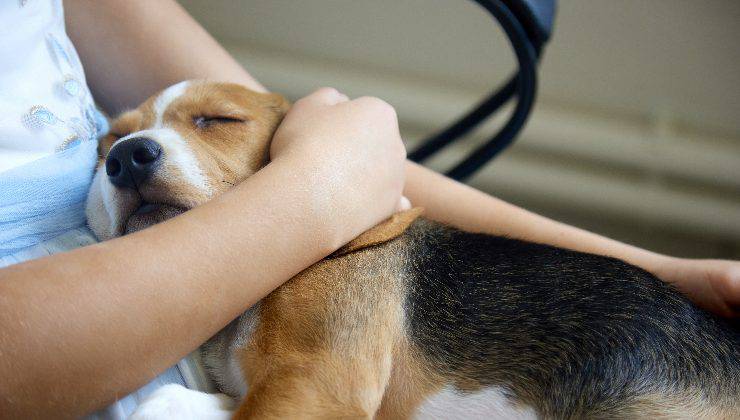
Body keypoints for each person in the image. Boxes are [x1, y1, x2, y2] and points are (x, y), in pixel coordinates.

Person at [0, 0, 737, 417]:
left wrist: (657, 268)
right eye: (114, 149)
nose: (129, 154)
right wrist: (319, 185)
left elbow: (372, 185)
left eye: (213, 123)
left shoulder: (332, 263)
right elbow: (332, 178)